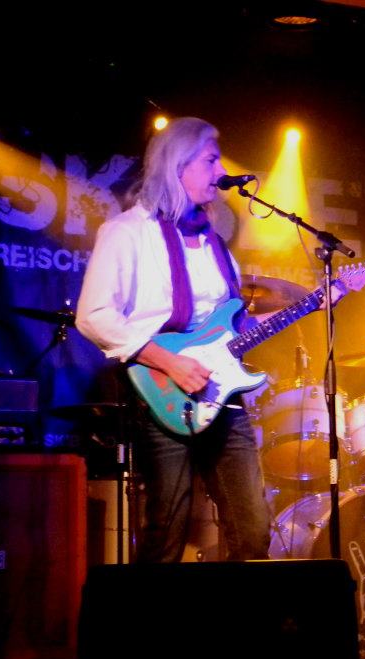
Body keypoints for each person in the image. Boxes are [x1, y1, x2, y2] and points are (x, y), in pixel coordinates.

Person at [77, 117, 286, 562]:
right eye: (211, 160)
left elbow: (231, 327)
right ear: (177, 165)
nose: (220, 172)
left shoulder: (215, 244)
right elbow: (94, 315)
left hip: (220, 395)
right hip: (161, 392)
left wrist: (314, 303)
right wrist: (170, 362)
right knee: (166, 531)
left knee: (252, 531)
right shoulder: (128, 232)